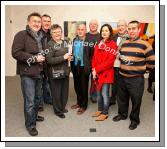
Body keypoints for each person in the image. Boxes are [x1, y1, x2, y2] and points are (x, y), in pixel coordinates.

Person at [112, 20, 155, 130]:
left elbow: (152, 61)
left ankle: (135, 120)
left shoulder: (145, 44)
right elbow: (120, 57)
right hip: (122, 76)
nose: (131, 31)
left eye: (134, 28)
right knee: (122, 98)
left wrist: (142, 70)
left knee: (136, 100)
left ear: (139, 30)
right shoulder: (124, 43)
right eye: (129, 29)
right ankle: (122, 114)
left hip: (136, 79)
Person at [12, 12, 45, 136]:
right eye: (34, 21)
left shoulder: (40, 36)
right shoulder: (21, 35)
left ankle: (34, 116)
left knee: (37, 98)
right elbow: (16, 53)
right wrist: (35, 58)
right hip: (27, 73)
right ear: (28, 22)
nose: (37, 23)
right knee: (30, 101)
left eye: (38, 21)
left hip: (39, 72)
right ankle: (30, 125)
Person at [91, 24, 117, 121]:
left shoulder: (113, 44)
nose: (104, 32)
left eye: (106, 30)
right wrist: (93, 69)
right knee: (98, 93)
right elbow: (94, 58)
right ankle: (100, 109)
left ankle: (105, 112)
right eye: (103, 30)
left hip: (106, 73)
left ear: (110, 32)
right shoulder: (98, 43)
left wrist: (96, 69)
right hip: (97, 73)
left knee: (105, 94)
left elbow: (110, 62)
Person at [46, 24, 72, 118]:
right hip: (55, 72)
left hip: (65, 71)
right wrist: (63, 57)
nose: (57, 34)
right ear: (51, 34)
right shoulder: (49, 45)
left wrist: (70, 58)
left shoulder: (65, 42)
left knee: (64, 91)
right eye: (54, 32)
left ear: (61, 32)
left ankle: (62, 107)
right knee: (56, 92)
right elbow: (49, 60)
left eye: (58, 32)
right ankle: (58, 111)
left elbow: (68, 54)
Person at [70, 23, 91, 115]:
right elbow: (73, 52)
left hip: (84, 67)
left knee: (83, 87)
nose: (80, 31)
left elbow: (91, 55)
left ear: (85, 31)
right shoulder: (75, 40)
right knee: (77, 86)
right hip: (75, 66)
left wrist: (91, 67)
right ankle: (79, 102)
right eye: (78, 29)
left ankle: (84, 105)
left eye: (82, 29)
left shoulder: (89, 41)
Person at [110, 19, 129, 106]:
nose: (120, 27)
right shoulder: (113, 36)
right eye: (118, 26)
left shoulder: (130, 38)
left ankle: (122, 101)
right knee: (113, 82)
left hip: (124, 65)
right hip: (113, 64)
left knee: (123, 84)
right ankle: (113, 99)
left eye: (122, 25)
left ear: (126, 27)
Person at [38, 14, 53, 112]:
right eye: (45, 21)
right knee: (39, 84)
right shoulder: (38, 34)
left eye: (48, 21)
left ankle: (47, 99)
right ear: (41, 22)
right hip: (40, 62)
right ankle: (39, 103)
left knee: (46, 82)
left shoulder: (50, 33)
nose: (47, 23)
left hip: (48, 63)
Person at [86, 19, 100, 103]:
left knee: (95, 80)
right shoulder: (85, 35)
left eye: (95, 24)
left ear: (97, 26)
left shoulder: (100, 36)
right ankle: (84, 95)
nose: (93, 25)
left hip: (97, 62)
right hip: (86, 61)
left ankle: (93, 95)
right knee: (84, 79)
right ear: (89, 25)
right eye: (91, 24)